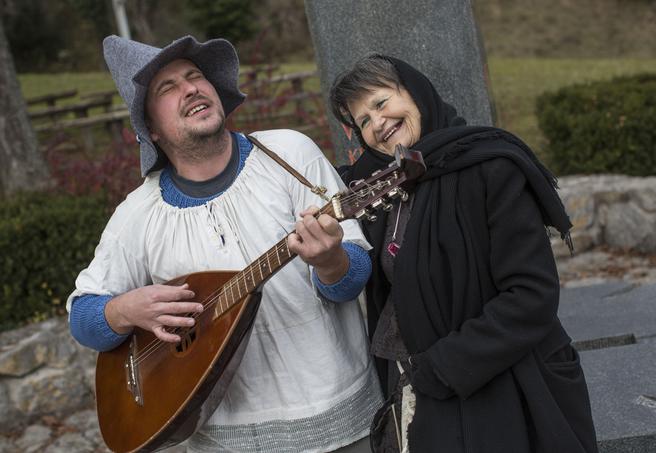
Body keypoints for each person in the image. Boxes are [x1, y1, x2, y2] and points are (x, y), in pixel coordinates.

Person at [66, 35, 383, 453]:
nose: (191, 88)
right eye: (168, 88)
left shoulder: (288, 153)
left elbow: (354, 277)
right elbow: (83, 317)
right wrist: (124, 309)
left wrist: (331, 263)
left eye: (195, 76)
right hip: (225, 441)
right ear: (152, 131)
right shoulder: (137, 215)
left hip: (343, 424)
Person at [329, 54, 598, 453]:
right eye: (363, 121)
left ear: (415, 92)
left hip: (512, 390)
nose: (377, 123)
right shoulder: (383, 190)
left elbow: (531, 295)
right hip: (429, 398)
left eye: (381, 103)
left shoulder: (490, 166)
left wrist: (441, 368)